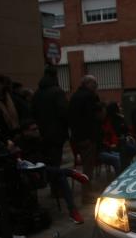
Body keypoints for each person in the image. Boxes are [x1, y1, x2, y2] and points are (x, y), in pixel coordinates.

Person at [15, 119, 88, 224]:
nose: (37, 131)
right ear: (25, 132)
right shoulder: (20, 144)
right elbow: (23, 162)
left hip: (45, 172)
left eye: (37, 128)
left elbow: (47, 158)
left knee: (60, 177)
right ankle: (70, 172)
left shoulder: (40, 141)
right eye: (34, 129)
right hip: (30, 175)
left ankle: (73, 211)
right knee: (56, 173)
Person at [68, 75, 102, 204]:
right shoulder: (89, 97)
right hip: (87, 138)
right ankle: (87, 196)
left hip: (78, 137)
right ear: (88, 83)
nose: (96, 87)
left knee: (87, 167)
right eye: (95, 84)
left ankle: (87, 194)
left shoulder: (75, 96)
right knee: (88, 168)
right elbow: (91, 118)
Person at [31, 66, 69, 167]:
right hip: (56, 134)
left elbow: (33, 112)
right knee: (55, 161)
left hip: (41, 133)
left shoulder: (37, 93)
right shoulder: (57, 92)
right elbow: (64, 112)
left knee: (45, 161)